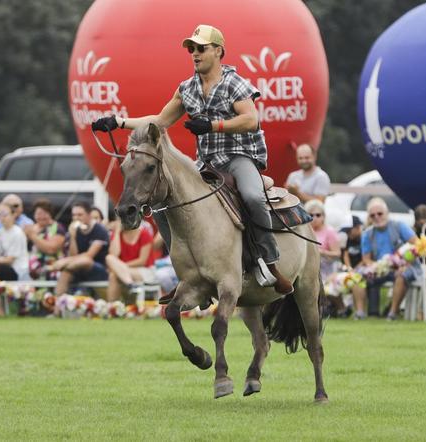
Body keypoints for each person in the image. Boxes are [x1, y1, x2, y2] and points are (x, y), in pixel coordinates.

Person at [91, 24, 292, 295]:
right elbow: (161, 120)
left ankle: (269, 262)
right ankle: (188, 274)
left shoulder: (235, 83)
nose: (194, 54)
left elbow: (251, 119)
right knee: (162, 202)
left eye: (201, 48)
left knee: (253, 197)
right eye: (191, 49)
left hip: (239, 157)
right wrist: (118, 121)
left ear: (218, 51)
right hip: (207, 161)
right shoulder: (186, 88)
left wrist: (212, 126)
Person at [352, 198, 418, 320]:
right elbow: (366, 259)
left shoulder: (399, 226)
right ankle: (360, 313)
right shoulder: (367, 234)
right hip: (380, 268)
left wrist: (405, 262)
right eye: (373, 215)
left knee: (401, 275)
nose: (377, 217)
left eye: (380, 213)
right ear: (369, 218)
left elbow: (417, 245)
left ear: (387, 213)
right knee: (357, 275)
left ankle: (393, 313)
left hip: (403, 266)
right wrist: (377, 266)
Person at [52, 201, 110, 297]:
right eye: (74, 215)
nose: (76, 218)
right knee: (66, 273)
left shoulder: (100, 230)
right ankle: (56, 308)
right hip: (76, 266)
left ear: (89, 215)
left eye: (80, 215)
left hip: (98, 269)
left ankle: (64, 267)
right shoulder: (74, 230)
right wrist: (73, 236)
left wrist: (65, 262)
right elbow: (73, 255)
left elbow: (89, 256)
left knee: (85, 260)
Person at [105, 218, 155, 302]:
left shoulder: (144, 233)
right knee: (110, 261)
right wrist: (116, 232)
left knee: (113, 269)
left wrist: (120, 267)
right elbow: (114, 254)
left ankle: (112, 305)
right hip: (126, 273)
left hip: (145, 270)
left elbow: (142, 261)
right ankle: (114, 306)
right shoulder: (117, 235)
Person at [24, 199, 66, 280]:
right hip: (32, 273)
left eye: (44, 213)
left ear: (50, 214)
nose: (41, 217)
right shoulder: (31, 228)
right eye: (38, 214)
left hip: (53, 271)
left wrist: (33, 236)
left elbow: (51, 249)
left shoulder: (58, 228)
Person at [306, 200, 341, 280]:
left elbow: (337, 253)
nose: (314, 218)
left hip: (325, 269)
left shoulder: (330, 231)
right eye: (311, 215)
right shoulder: (304, 231)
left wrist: (322, 252)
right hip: (307, 267)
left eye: (318, 215)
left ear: (323, 216)